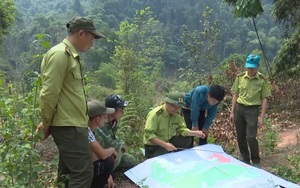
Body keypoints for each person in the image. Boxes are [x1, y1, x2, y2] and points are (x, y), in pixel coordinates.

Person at [39, 16, 105, 187]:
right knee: (83, 173)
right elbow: (49, 93)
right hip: (68, 127)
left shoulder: (70, 56)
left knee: (67, 173)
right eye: (91, 39)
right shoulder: (61, 55)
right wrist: (46, 123)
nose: (92, 43)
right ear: (81, 33)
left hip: (73, 125)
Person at [229, 54, 271, 166]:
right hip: (239, 109)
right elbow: (235, 94)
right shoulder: (240, 77)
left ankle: (256, 160)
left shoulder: (262, 80)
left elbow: (264, 99)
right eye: (248, 67)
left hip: (252, 111)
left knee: (251, 137)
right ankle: (245, 159)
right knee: (240, 136)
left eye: (253, 68)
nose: (250, 70)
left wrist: (262, 117)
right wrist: (232, 112)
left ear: (258, 66)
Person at [143, 91, 206, 159]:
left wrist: (194, 133)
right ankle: (158, 155)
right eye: (173, 106)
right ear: (167, 103)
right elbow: (149, 135)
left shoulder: (176, 114)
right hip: (153, 147)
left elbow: (181, 129)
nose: (176, 109)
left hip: (167, 142)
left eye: (178, 107)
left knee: (187, 139)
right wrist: (165, 145)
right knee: (160, 161)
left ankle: (171, 153)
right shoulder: (155, 114)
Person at [94, 94, 138, 171]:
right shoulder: (102, 123)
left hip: (109, 152)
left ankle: (111, 168)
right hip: (100, 154)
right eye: (121, 110)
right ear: (112, 111)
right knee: (118, 150)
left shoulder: (113, 122)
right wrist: (121, 144)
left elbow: (113, 138)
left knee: (131, 160)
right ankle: (107, 173)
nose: (123, 112)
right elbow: (109, 143)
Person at [87, 100, 118, 188]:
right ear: (97, 119)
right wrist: (112, 150)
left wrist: (108, 175)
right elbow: (102, 155)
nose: (105, 117)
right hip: (82, 169)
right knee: (108, 162)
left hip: (86, 165)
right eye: (104, 116)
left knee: (111, 173)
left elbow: (93, 155)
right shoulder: (87, 132)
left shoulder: (90, 130)